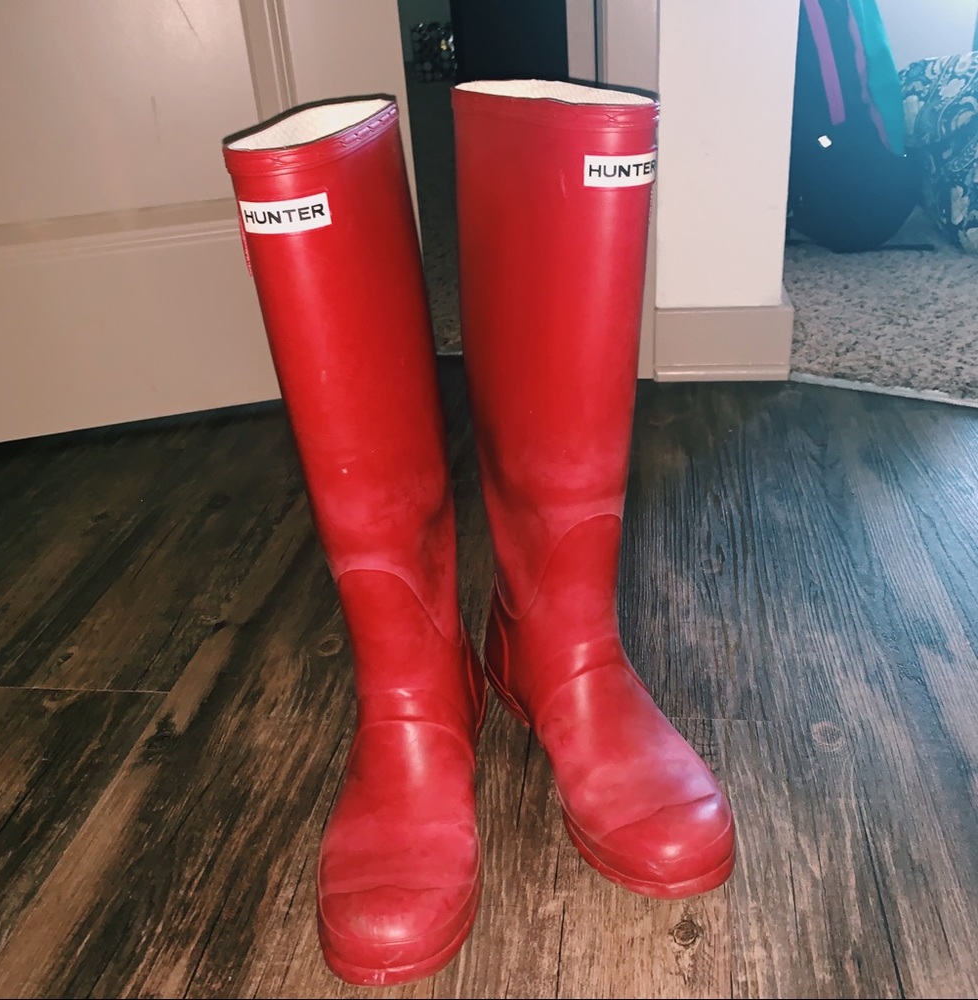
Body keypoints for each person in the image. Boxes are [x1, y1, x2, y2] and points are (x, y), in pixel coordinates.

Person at [222, 79, 735, 988]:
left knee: (584, 177)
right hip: (411, 686)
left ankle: (558, 647)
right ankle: (419, 684)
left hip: (561, 637)